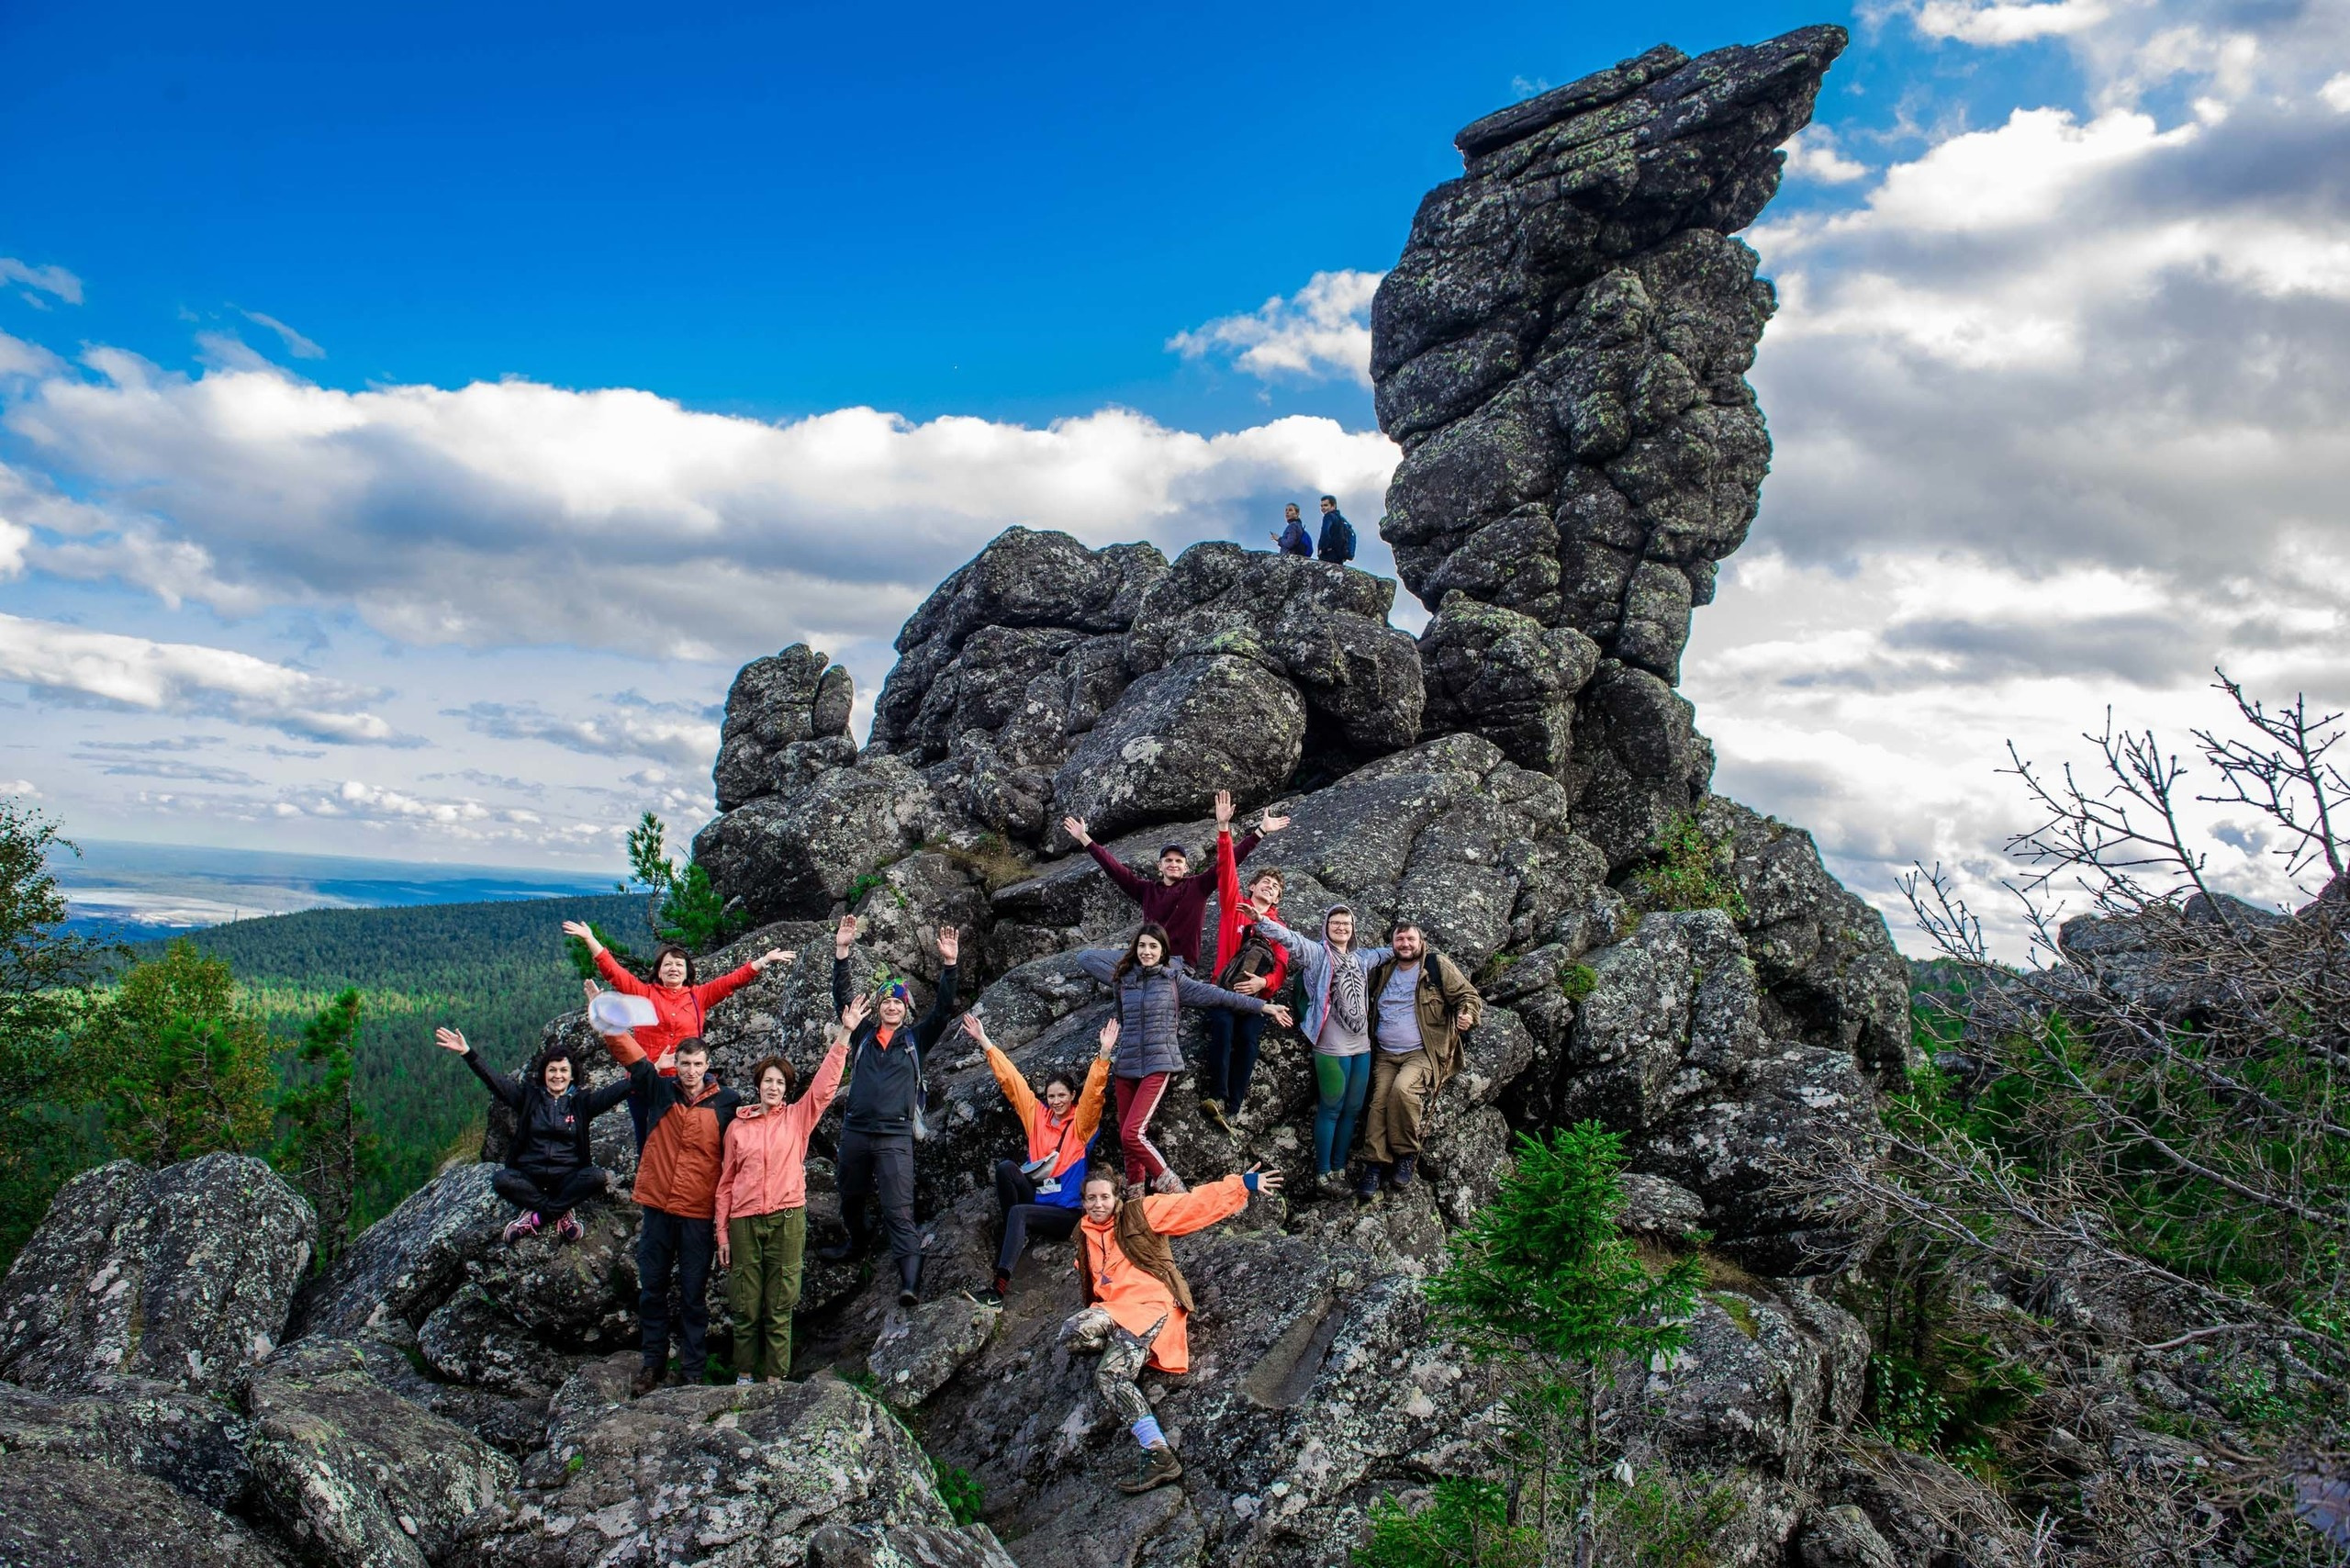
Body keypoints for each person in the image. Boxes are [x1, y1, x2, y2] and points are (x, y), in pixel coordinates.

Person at [1062, 1163, 1283, 1494]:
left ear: (1116, 1197)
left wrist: (1242, 1185)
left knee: (1110, 1375)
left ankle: (1157, 1452)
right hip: (1113, 1310)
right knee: (1072, 1332)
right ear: (1083, 1202)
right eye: (1091, 1198)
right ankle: (1127, 1347)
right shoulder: (1084, 1234)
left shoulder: (1142, 1211)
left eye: (1104, 1197)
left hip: (1150, 1306)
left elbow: (1192, 1204)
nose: (1098, 1204)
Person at [1074, 923, 1291, 1196]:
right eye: (1142, 946)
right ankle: (1135, 1196)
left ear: (1164, 951)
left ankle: (1173, 1187)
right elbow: (1089, 964)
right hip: (1127, 1063)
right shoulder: (1123, 980)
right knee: (1126, 1138)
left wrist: (1262, 1006)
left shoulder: (1174, 980)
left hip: (1160, 1061)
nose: (1147, 951)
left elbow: (1218, 996)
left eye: (1153, 946)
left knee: (1133, 1133)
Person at [814, 916, 961, 1307]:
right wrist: (842, 953)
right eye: (886, 1001)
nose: (892, 1006)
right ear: (878, 1007)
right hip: (856, 1131)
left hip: (896, 1135)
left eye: (898, 1001)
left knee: (898, 1209)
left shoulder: (915, 1040)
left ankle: (909, 1282)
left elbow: (945, 1010)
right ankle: (857, 1243)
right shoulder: (862, 1035)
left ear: (906, 1008)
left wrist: (950, 966)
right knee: (850, 1195)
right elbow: (843, 1000)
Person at [712, 997, 860, 1384]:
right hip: (744, 1221)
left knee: (781, 1302)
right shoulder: (737, 1128)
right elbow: (725, 1183)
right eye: (768, 1081)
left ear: (786, 1089)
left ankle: (775, 1380)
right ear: (758, 1086)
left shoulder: (797, 1119)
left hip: (787, 1216)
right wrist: (722, 1232)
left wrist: (845, 1033)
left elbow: (825, 1088)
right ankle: (744, 1377)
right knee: (745, 1303)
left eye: (780, 1083)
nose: (773, 1087)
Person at [591, 1026, 742, 1396]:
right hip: (658, 1207)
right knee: (652, 1290)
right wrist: (608, 1022)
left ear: (708, 1066)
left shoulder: (727, 1102)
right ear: (675, 1064)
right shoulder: (660, 1092)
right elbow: (632, 1056)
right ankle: (652, 1364)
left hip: (697, 1213)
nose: (691, 1071)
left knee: (693, 1294)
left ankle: (692, 1370)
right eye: (685, 1063)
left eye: (697, 1064)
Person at [564, 920, 795, 1146]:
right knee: (648, 1141)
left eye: (679, 965)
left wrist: (763, 961)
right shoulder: (644, 994)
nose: (673, 968)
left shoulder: (699, 996)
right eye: (668, 964)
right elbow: (614, 972)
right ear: (659, 971)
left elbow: (730, 982)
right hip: (648, 1081)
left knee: (683, 1143)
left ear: (687, 973)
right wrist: (590, 939)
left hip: (686, 1082)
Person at [964, 1010, 1112, 1303]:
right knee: (1007, 1168)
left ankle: (998, 1289)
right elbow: (1013, 1082)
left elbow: (1094, 1095)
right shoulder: (1037, 1117)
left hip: (1065, 1213)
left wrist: (1104, 1054)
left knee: (1020, 1213)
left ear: (1072, 1097)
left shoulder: (1080, 1127)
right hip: (1038, 1196)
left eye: (1062, 1096)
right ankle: (1015, 1236)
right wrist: (985, 1041)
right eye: (1051, 1096)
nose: (1056, 1101)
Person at [436, 1027, 632, 1244]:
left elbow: (619, 1091)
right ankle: (561, 1210)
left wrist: (650, 1069)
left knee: (595, 1177)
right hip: (531, 1178)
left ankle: (536, 1218)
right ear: (544, 1074)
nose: (558, 1075)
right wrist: (467, 1052)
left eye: (563, 1070)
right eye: (552, 1070)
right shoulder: (529, 1099)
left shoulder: (581, 1104)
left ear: (572, 1075)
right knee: (502, 1180)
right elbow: (495, 1082)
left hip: (567, 1178)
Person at [1058, 790, 1287, 969]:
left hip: (1178, 963)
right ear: (1160, 866)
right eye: (1168, 860)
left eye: (1179, 861)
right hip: (1147, 958)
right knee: (1088, 957)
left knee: (1151, 975)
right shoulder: (1145, 890)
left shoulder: (1198, 886)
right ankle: (1134, 980)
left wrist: (1259, 832)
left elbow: (1228, 861)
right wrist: (1084, 838)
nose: (1173, 864)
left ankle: (1140, 982)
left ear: (1186, 867)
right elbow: (1115, 869)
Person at [1259, 906, 1396, 1197]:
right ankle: (1323, 1175)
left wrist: (1408, 944)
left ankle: (1339, 1168)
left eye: (1346, 923)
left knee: (1353, 1109)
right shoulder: (1318, 955)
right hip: (1331, 1046)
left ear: (1353, 927)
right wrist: (1262, 921)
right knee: (1332, 1107)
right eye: (1335, 923)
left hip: (1361, 1046)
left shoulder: (1361, 958)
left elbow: (1386, 953)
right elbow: (1291, 939)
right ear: (1326, 926)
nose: (1341, 927)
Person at [1358, 919, 1483, 1200]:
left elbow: (1468, 996)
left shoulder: (1436, 966)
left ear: (1420, 941)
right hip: (1386, 1053)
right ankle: (1375, 1164)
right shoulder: (1384, 969)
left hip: (1423, 1051)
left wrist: (1467, 1014)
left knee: (1402, 1090)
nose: (1405, 945)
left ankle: (1405, 1154)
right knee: (1378, 1102)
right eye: (1399, 940)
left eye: (1410, 939)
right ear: (1392, 944)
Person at [1200, 810, 1293, 1135]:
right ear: (1252, 886)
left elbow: (1282, 965)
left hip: (1257, 999)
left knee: (1249, 1041)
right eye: (1264, 882)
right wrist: (1225, 828)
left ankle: (1235, 1106)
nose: (1269, 887)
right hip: (1224, 991)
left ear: (1278, 899)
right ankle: (1216, 1096)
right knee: (1222, 1029)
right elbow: (1225, 870)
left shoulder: (1279, 927)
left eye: (1275, 888)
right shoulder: (1234, 906)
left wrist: (1262, 982)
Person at [1315, 495, 1357, 566]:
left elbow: (1325, 533)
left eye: (1325, 505)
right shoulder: (1342, 520)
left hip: (1328, 555)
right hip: (1339, 557)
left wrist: (1322, 549)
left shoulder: (1328, 516)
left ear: (1333, 506)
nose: (1323, 508)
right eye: (1321, 506)